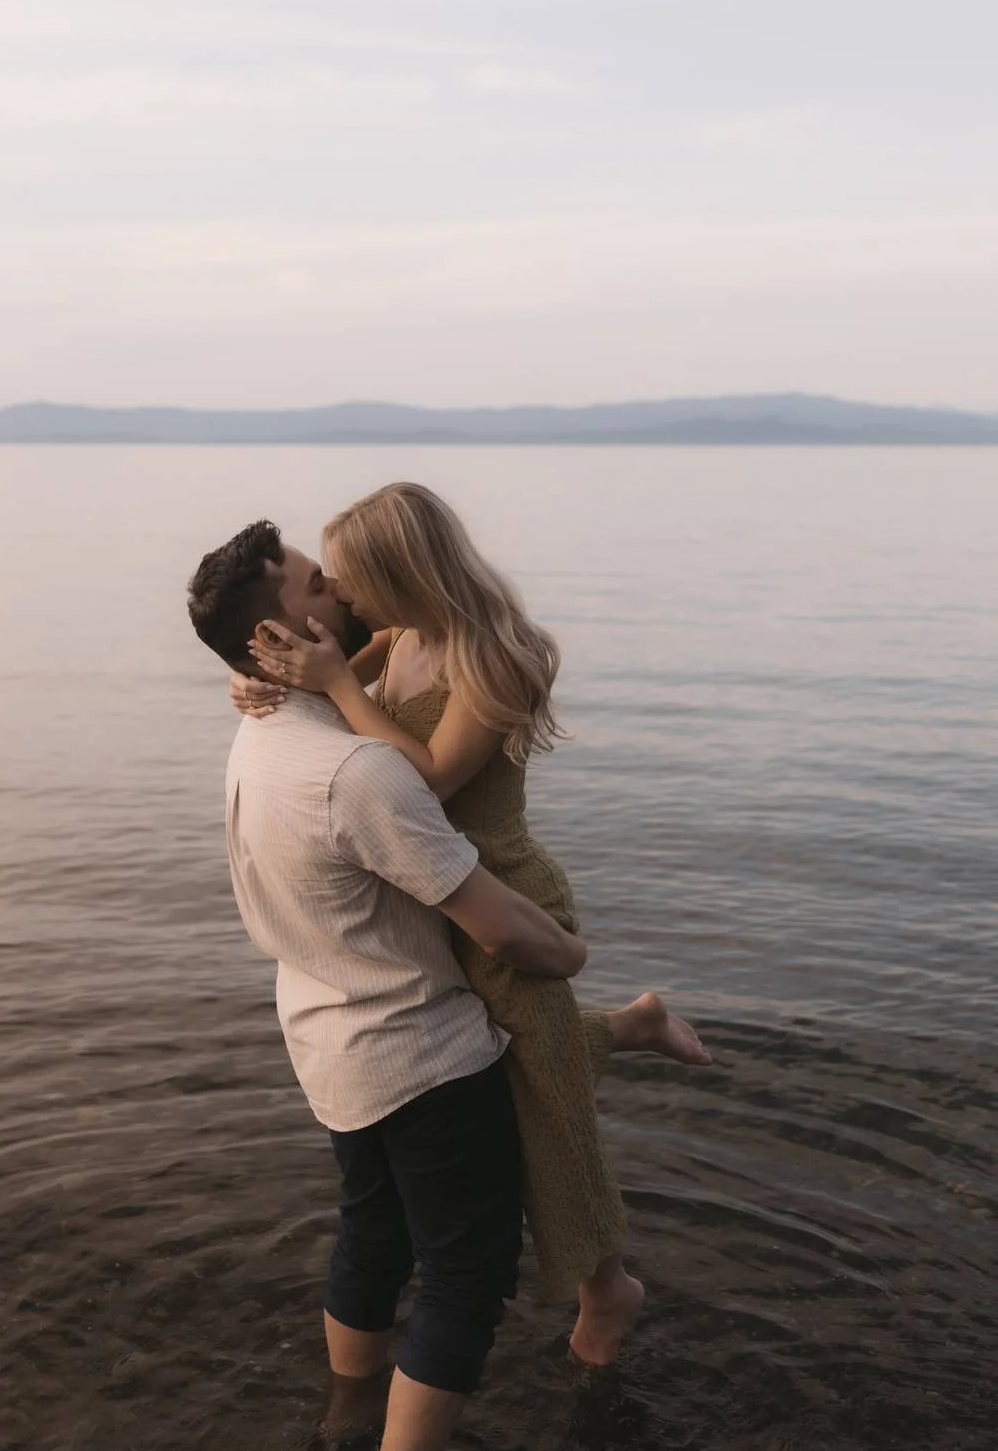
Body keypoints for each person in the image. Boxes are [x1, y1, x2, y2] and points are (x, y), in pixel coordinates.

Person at [234, 481, 711, 1365]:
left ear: (400, 571)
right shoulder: (401, 635)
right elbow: (337, 695)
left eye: (351, 579)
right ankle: (630, 1025)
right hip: (434, 895)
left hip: (502, 893)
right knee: (513, 1069)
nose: (341, 596)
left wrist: (338, 680)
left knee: (545, 1107)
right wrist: (268, 681)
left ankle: (607, 1289)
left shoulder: (497, 656)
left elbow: (428, 781)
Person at [187, 519, 593, 1451]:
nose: (345, 591)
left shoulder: (257, 737)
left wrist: (299, 680)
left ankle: (346, 1414)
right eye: (320, 582)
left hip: (324, 1044)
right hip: (417, 1052)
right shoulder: (357, 774)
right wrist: (567, 956)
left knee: (371, 1233)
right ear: (285, 631)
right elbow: (501, 927)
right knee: (464, 1274)